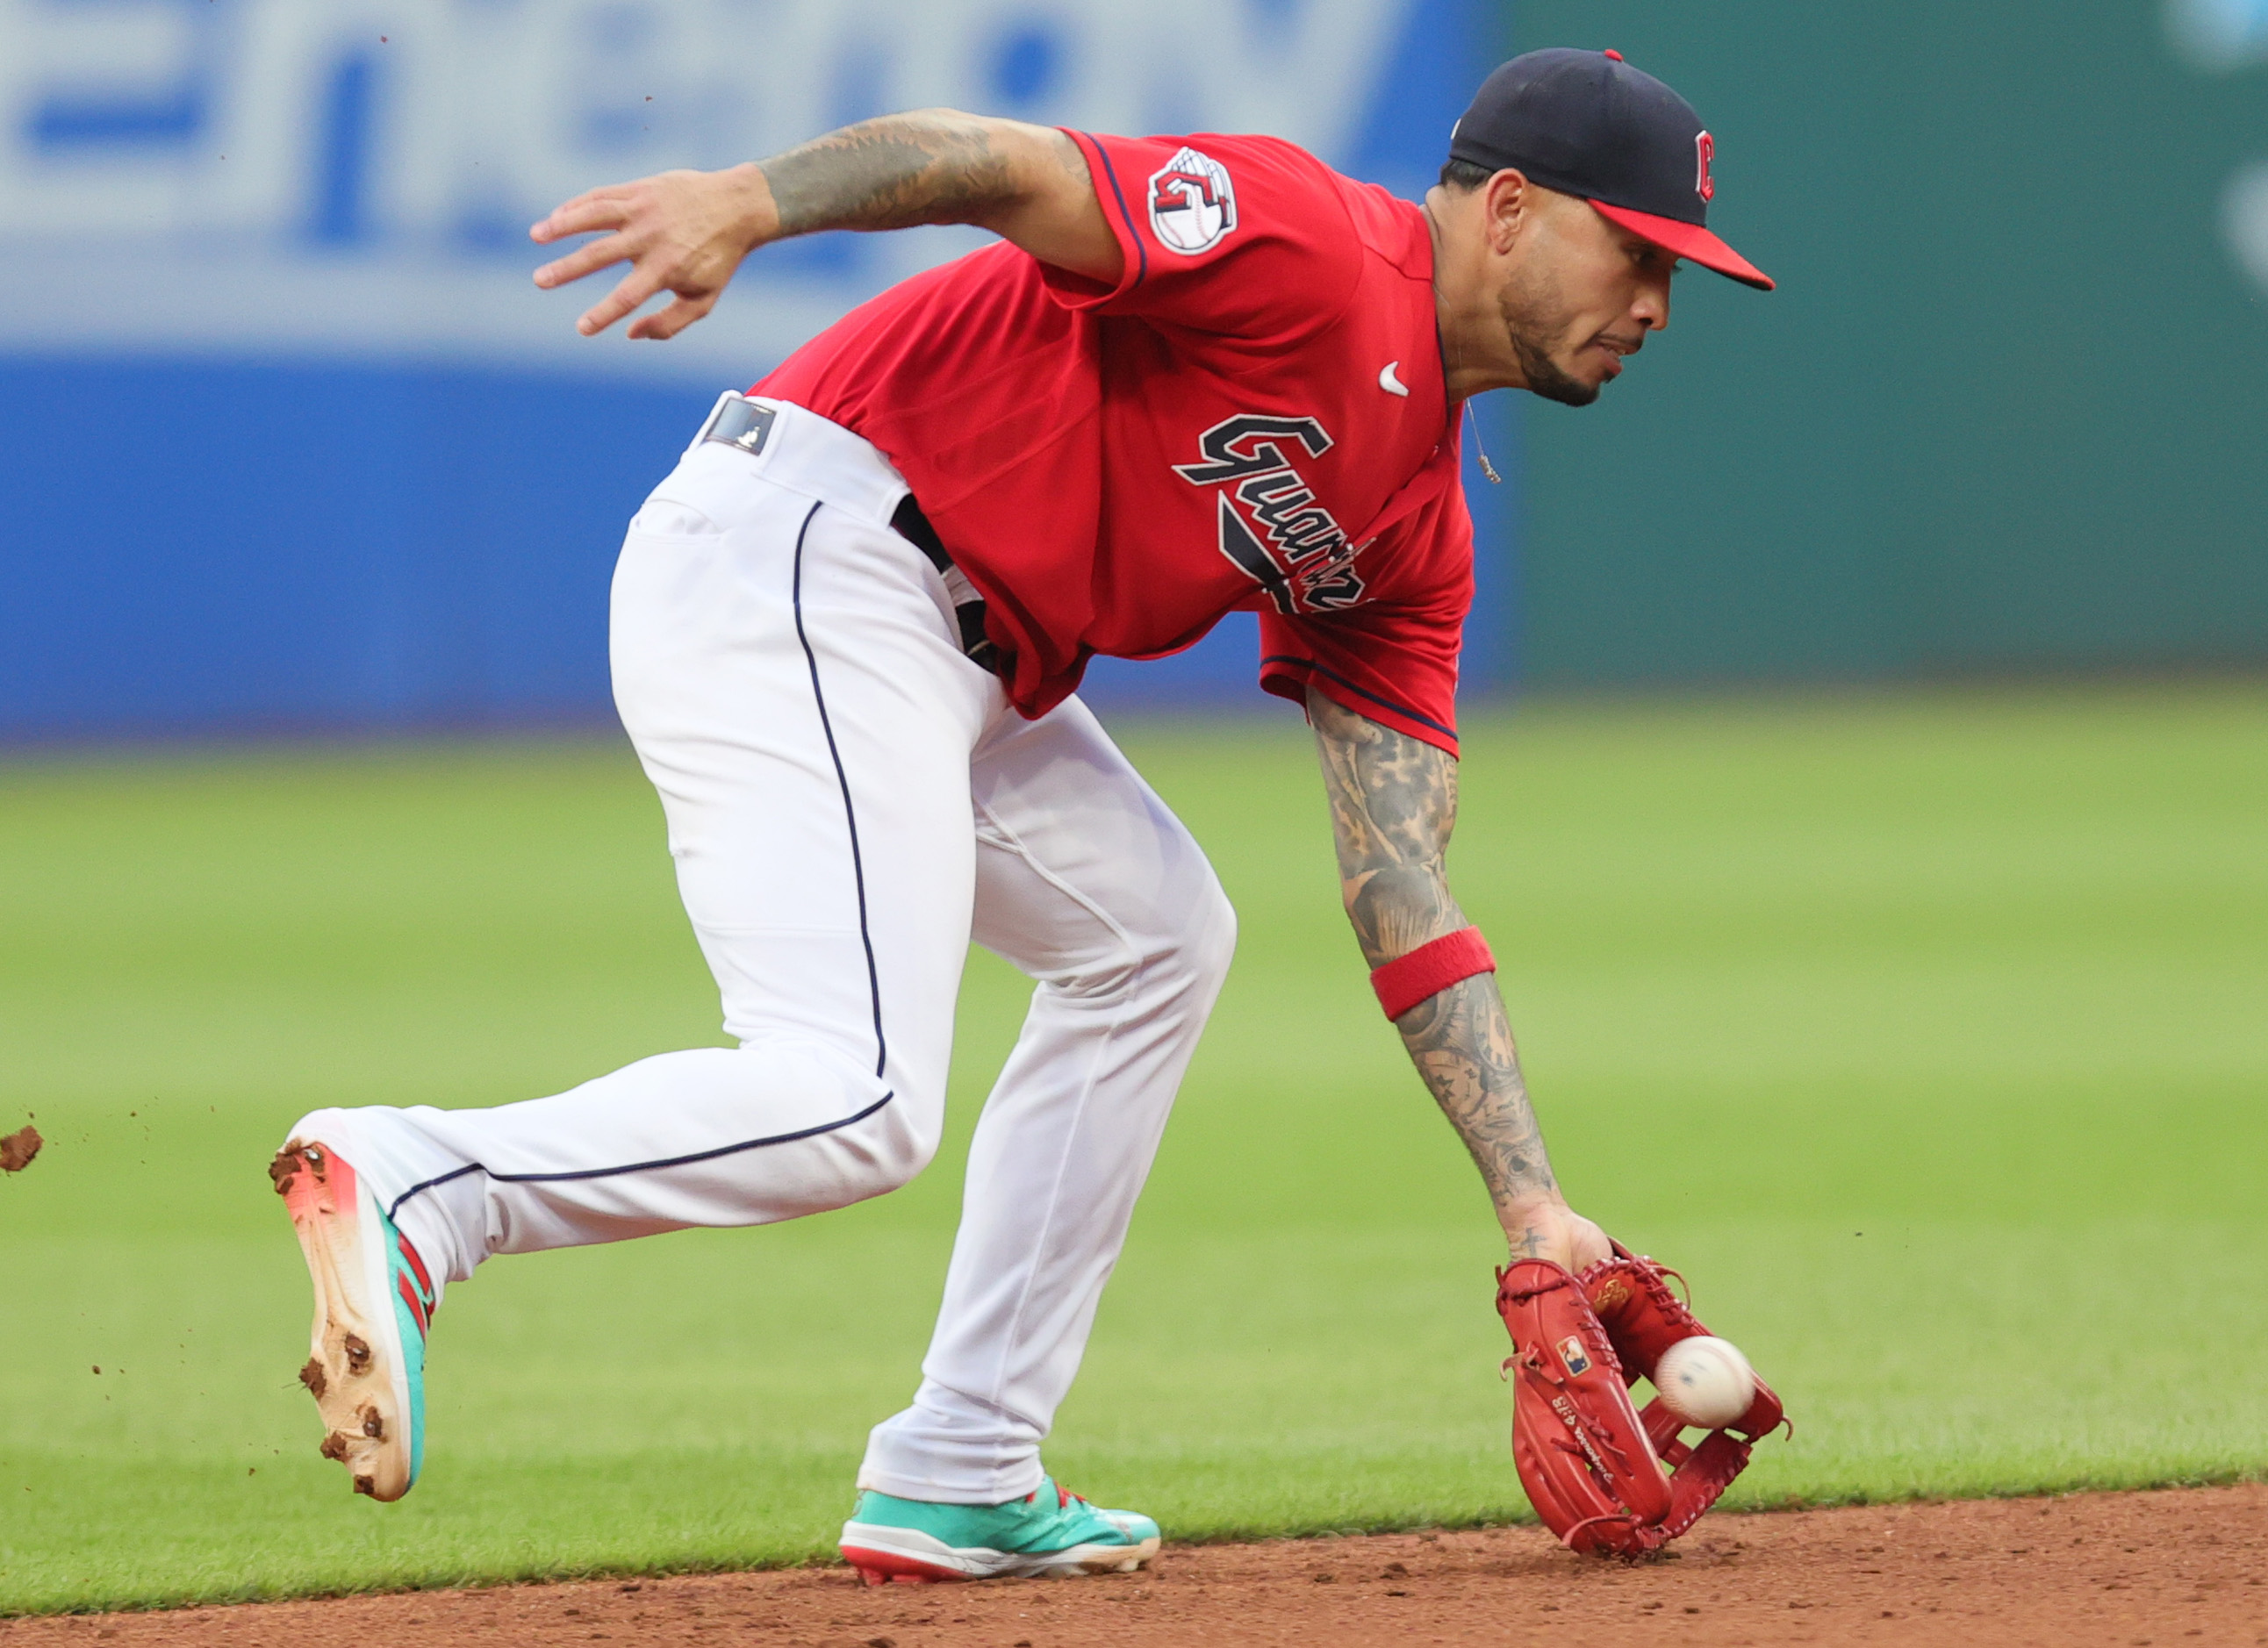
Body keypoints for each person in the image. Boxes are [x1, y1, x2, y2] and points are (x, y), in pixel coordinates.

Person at [269, 47, 1770, 1584]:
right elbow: (1003, 163)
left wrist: (1531, 1203)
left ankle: (964, 1462)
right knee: (852, 1098)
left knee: (1160, 934)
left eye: (1680, 273)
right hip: (818, 546)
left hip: (959, 658)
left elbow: (1402, 890)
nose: (1657, 302)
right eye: (1641, 249)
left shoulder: (1415, 531)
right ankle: (418, 1181)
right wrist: (748, 203)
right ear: (1511, 209)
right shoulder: (1310, 240)